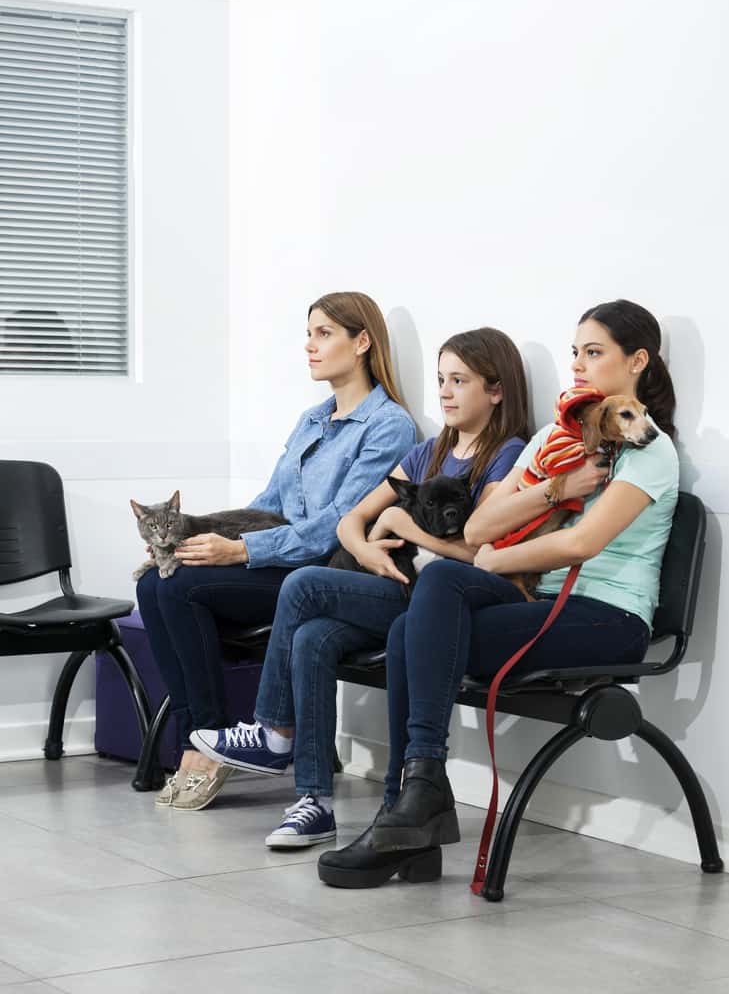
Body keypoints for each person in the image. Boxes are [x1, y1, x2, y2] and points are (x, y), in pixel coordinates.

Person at [317, 298, 679, 888]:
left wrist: (494, 558)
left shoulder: (648, 450)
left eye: (594, 353)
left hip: (608, 615)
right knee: (429, 595)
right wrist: (557, 485)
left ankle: (408, 810)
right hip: (542, 602)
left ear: (638, 362)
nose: (578, 366)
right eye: (575, 353)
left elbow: (579, 544)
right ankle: (415, 800)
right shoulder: (554, 440)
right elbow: (479, 526)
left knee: (417, 625)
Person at [191, 327, 530, 846]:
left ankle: (273, 731)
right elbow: (354, 517)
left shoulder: (506, 456)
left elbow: (481, 552)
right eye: (441, 380)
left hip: (433, 603)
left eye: (459, 381)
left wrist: (401, 524)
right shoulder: (428, 452)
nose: (444, 392)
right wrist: (369, 545)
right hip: (391, 583)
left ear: (496, 390)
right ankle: (313, 802)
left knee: (303, 585)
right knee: (310, 638)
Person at [137, 291, 416, 810]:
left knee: (178, 584)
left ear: (362, 342)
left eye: (324, 334)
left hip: (317, 572)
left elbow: (336, 526)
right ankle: (199, 738)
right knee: (156, 579)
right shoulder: (311, 420)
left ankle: (205, 743)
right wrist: (198, 543)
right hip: (276, 557)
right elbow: (266, 503)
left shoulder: (389, 427)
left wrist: (239, 552)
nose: (309, 346)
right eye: (308, 333)